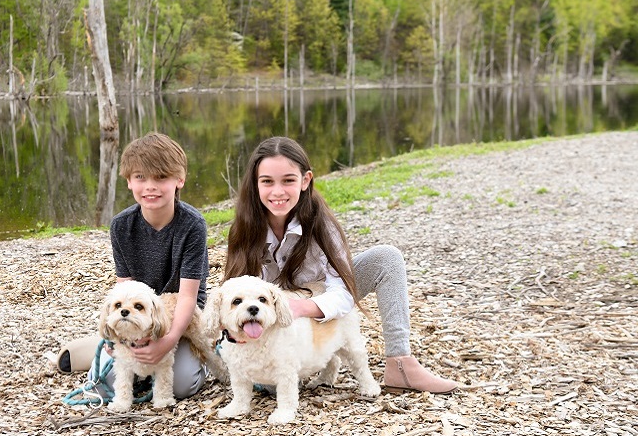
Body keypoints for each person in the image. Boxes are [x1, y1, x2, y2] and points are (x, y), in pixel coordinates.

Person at [223, 136, 457, 394]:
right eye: (267, 181)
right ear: (255, 184)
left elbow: (342, 290)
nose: (277, 192)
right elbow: (236, 296)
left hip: (318, 294)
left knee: (386, 258)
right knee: (264, 383)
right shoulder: (244, 229)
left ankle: (400, 363)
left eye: (288, 180)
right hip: (277, 319)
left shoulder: (321, 224)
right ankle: (317, 363)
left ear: (305, 180)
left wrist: (304, 307)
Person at [58, 132, 211, 399]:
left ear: (179, 180)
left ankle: (203, 355)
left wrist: (167, 341)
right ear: (129, 181)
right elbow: (123, 288)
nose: (150, 186)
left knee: (181, 386)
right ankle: (99, 343)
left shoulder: (192, 224)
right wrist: (118, 335)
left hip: (180, 318)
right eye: (141, 177)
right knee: (113, 380)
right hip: (137, 314)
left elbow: (188, 297)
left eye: (161, 177)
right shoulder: (121, 225)